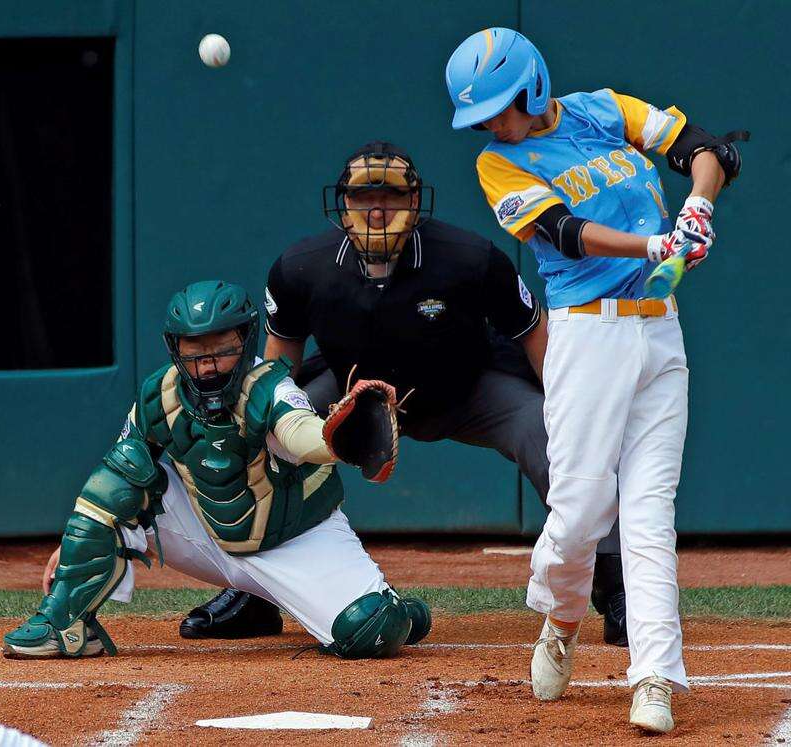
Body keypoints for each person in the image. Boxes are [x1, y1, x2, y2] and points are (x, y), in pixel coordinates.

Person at [182, 140, 630, 647]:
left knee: (554, 434)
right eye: (363, 197)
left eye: (392, 196)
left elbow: (534, 335)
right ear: (343, 204)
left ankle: (616, 586)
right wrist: (274, 424)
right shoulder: (302, 267)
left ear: (416, 203)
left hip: (466, 387)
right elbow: (278, 366)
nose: (377, 209)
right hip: (352, 389)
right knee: (269, 434)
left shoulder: (471, 258)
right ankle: (257, 595)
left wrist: (573, 414)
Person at [446, 27, 746, 733]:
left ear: (534, 85)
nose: (494, 123)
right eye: (482, 113)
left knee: (648, 513)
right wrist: (655, 243)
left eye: (501, 106)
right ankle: (559, 614)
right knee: (580, 509)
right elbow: (566, 233)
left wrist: (697, 205)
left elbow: (703, 150)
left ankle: (653, 679)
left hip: (658, 330)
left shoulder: (601, 109)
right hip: (588, 332)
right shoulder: (499, 164)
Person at [3, 280, 430, 661]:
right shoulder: (161, 394)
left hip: (294, 540)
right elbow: (119, 471)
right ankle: (65, 624)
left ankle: (402, 611)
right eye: (195, 352)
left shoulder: (270, 386)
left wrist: (337, 440)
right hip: (206, 535)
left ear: (244, 342)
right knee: (121, 477)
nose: (207, 365)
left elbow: (303, 434)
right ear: (176, 348)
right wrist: (79, 543)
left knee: (371, 630)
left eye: (222, 350)